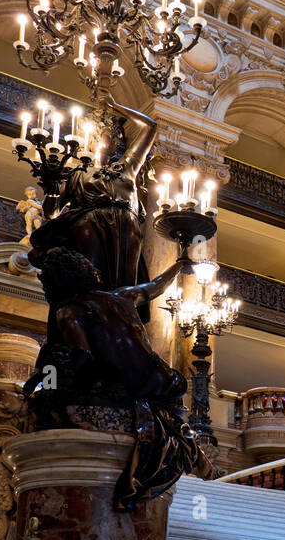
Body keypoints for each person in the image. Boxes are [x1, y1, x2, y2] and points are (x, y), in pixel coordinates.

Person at [25, 246, 210, 508]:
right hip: (167, 380)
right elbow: (156, 286)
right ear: (79, 273)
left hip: (130, 385)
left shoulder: (68, 312)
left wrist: (50, 377)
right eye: (89, 266)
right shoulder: (122, 296)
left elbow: (83, 358)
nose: (96, 269)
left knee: (49, 360)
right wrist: (179, 265)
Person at [28, 95, 156, 311]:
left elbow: (150, 127)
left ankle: (120, 324)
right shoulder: (77, 174)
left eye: (102, 134)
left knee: (126, 288)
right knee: (92, 281)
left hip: (128, 229)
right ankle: (90, 320)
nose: (96, 139)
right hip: (89, 225)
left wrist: (116, 106)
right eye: (93, 134)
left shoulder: (127, 167)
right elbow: (51, 212)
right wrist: (51, 187)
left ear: (114, 140)